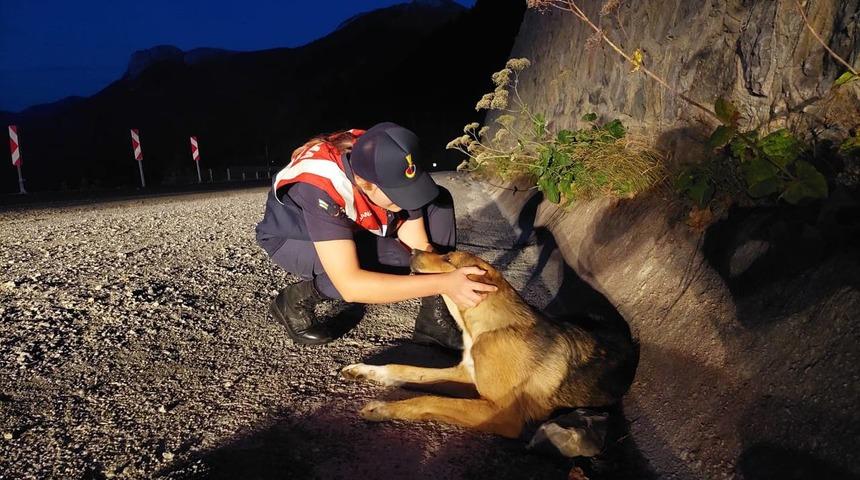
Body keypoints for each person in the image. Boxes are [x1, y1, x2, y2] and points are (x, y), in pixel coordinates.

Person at [255, 122, 497, 347]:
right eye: (399, 194)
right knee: (391, 263)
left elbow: (418, 242)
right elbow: (350, 284)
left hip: (348, 224)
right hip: (295, 237)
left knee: (437, 202)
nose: (407, 202)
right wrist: (445, 282)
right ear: (363, 182)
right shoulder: (320, 185)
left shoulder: (386, 157)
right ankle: (292, 300)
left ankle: (434, 322)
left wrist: (440, 268)